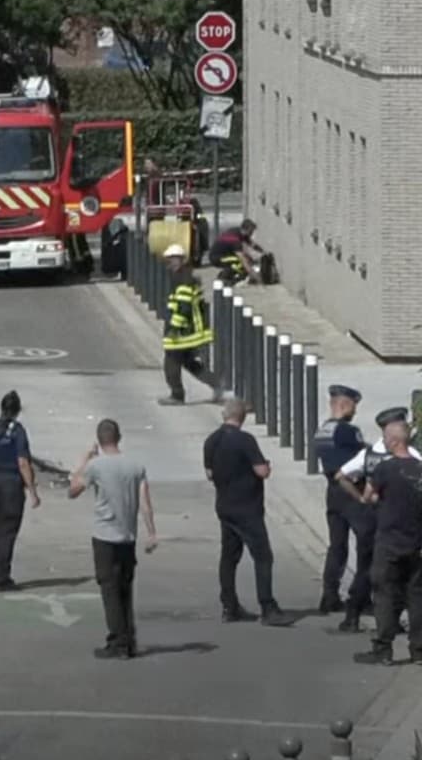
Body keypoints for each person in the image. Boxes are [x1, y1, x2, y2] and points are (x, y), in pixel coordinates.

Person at [68, 419, 157, 660]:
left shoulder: (96, 466)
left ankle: (118, 642)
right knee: (125, 589)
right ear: (119, 437)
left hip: (105, 535)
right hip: (128, 535)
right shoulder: (136, 466)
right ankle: (129, 638)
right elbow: (145, 503)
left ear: (99, 440)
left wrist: (85, 458)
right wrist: (151, 533)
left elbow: (73, 491)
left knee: (109, 588)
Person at [204, 398, 293, 626]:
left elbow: (210, 474)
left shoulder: (211, 440)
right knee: (263, 556)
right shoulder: (245, 440)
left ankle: (229, 605)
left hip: (224, 506)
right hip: (247, 508)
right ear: (242, 417)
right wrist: (267, 466)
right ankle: (267, 606)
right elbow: (261, 471)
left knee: (229, 556)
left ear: (225, 415)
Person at [335, 407, 422, 632]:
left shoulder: (369, 452)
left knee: (366, 569)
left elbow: (341, 476)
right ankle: (392, 623)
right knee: (403, 577)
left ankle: (352, 616)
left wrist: (361, 499)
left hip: (371, 519)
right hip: (400, 524)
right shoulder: (412, 455)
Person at [353, 420, 422, 666]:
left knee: (384, 594)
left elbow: (368, 496)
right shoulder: (420, 468)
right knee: (416, 596)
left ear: (393, 441)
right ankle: (418, 650)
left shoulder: (384, 469)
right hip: (416, 541)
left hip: (389, 540)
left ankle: (383, 649)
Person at [313, 385, 371, 624]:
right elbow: (362, 460)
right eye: (354, 406)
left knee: (337, 546)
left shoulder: (323, 430)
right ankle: (361, 597)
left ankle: (329, 595)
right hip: (351, 492)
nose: (355, 411)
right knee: (367, 543)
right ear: (345, 405)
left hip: (332, 494)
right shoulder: (348, 431)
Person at [0, 390, 40, 591]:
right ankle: (0, 579)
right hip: (10, 487)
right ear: (18, 410)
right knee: (7, 533)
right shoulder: (18, 431)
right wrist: (33, 492)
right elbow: (22, 463)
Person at [159, 244, 222, 406]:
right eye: (170, 259)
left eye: (174, 259)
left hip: (183, 332)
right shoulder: (184, 276)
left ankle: (177, 395)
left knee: (171, 363)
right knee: (189, 362)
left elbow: (184, 306)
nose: (172, 262)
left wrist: (174, 328)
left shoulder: (183, 279)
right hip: (190, 330)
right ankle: (218, 384)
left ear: (182, 260)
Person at [209, 218, 261, 285]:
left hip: (223, 255)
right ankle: (223, 278)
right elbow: (243, 259)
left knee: (245, 260)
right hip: (216, 257)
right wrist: (253, 275)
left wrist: (263, 252)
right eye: (251, 231)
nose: (252, 233)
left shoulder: (239, 231)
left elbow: (252, 244)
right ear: (246, 229)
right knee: (239, 261)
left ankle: (227, 276)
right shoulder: (235, 240)